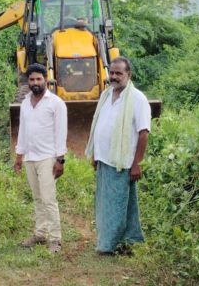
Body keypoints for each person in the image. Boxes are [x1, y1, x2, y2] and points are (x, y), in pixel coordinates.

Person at [84, 56, 151, 255]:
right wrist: (95, 153)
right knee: (112, 203)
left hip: (122, 162)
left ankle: (109, 246)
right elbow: (99, 125)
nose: (114, 77)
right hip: (104, 159)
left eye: (118, 73)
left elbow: (143, 132)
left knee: (116, 205)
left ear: (128, 75)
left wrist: (137, 163)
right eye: (112, 73)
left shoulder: (137, 99)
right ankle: (127, 242)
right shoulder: (106, 95)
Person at [14, 63, 68, 253]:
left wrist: (60, 160)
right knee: (37, 198)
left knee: (48, 199)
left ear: (46, 80)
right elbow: (23, 131)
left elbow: (61, 133)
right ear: (27, 81)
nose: (35, 82)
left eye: (39, 79)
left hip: (47, 158)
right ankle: (40, 234)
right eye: (32, 79)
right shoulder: (26, 103)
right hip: (30, 157)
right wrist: (19, 155)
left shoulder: (56, 103)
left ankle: (55, 239)